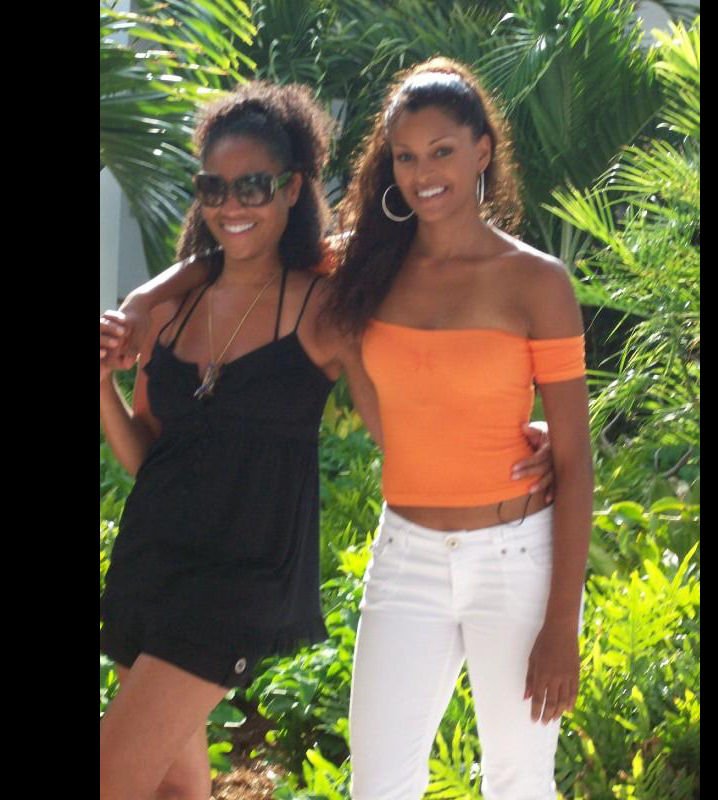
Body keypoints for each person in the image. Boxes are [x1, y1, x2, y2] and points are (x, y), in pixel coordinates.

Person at [99, 80, 554, 800]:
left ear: (291, 188)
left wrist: (523, 437)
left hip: (238, 579)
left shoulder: (326, 304)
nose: (231, 205)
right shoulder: (172, 312)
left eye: (253, 186)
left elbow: (402, 423)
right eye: (213, 187)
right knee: (176, 790)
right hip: (149, 567)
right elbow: (150, 462)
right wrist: (105, 380)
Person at [323, 58, 593, 800]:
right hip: (405, 554)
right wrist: (140, 313)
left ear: (482, 151)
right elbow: (244, 254)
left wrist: (561, 626)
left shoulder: (536, 282)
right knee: (377, 785)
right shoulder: (365, 267)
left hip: (514, 559)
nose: (424, 173)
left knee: (518, 782)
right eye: (406, 157)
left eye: (441, 151)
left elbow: (576, 462)